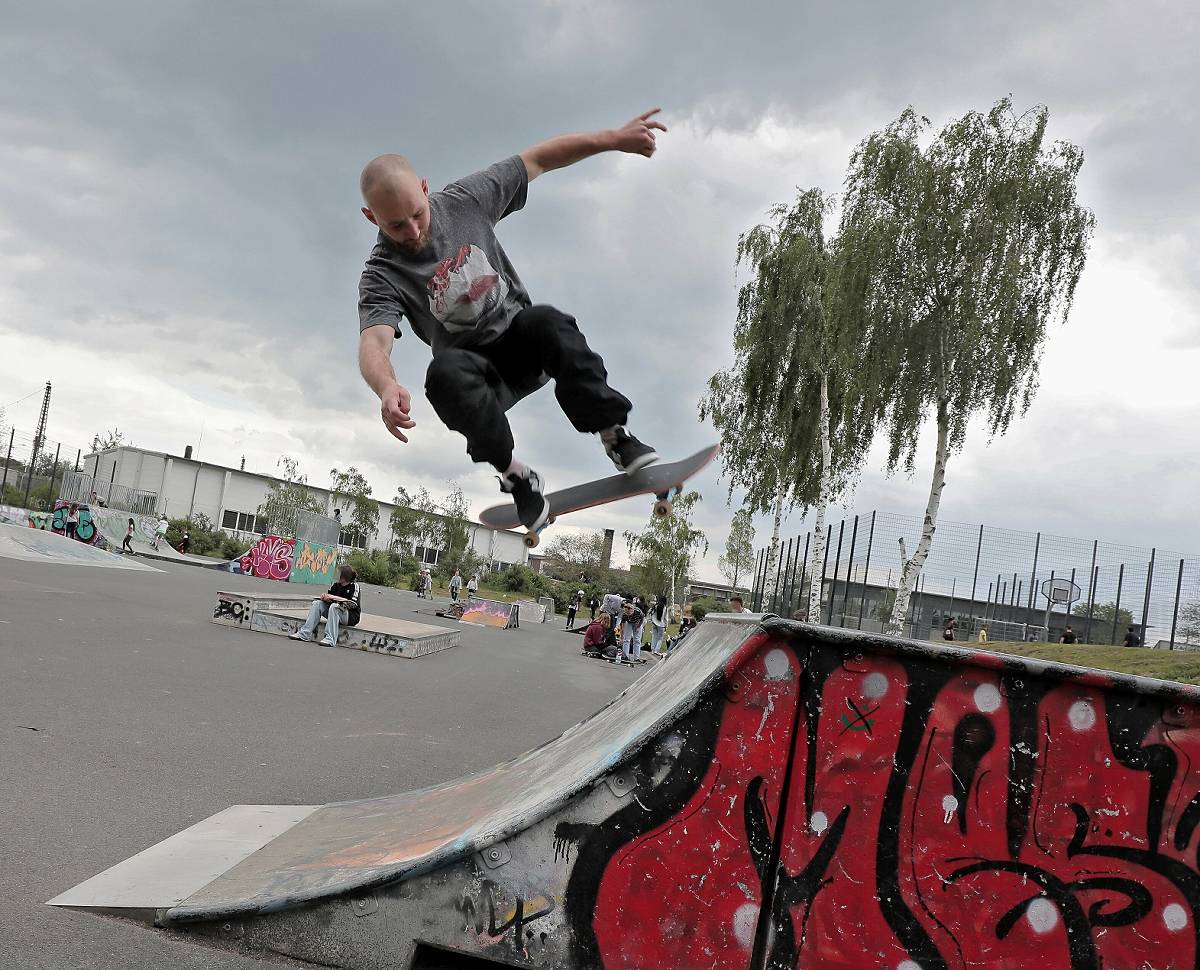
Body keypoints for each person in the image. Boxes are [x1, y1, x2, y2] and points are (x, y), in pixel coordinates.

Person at [355, 110, 670, 533]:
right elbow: (375, 341)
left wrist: (615, 139)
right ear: (371, 218)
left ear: (425, 190)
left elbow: (537, 159)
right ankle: (515, 474)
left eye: (417, 213)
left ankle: (615, 436)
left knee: (548, 321)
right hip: (479, 378)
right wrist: (385, 386)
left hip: (524, 347)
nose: (412, 231)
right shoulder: (381, 273)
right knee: (442, 375)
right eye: (396, 225)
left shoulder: (464, 200)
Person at [289, 565, 362, 646]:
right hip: (335, 613)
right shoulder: (336, 585)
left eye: (339, 574)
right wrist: (326, 598)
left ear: (344, 577)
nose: (337, 576)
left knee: (335, 607)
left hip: (350, 617)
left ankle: (330, 639)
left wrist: (334, 598)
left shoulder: (354, 586)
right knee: (317, 603)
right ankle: (304, 634)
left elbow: (353, 604)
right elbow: (330, 598)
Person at [620, 598, 646, 664]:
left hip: (637, 622)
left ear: (632, 610)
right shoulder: (624, 614)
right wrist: (622, 636)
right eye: (627, 614)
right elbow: (622, 625)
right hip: (628, 623)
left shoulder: (638, 611)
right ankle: (625, 656)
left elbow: (642, 618)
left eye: (630, 614)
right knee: (626, 639)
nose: (629, 615)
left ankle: (636, 658)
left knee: (637, 640)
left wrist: (638, 626)